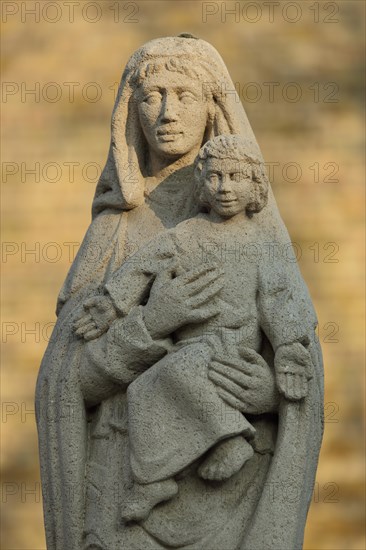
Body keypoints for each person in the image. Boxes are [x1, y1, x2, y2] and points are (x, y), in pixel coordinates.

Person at [36, 37, 323, 550]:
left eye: (186, 96)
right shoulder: (115, 232)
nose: (168, 112)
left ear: (213, 106)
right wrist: (149, 325)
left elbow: (294, 338)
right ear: (131, 112)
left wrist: (271, 395)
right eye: (152, 96)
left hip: (234, 501)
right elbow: (66, 381)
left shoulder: (257, 238)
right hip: (122, 501)